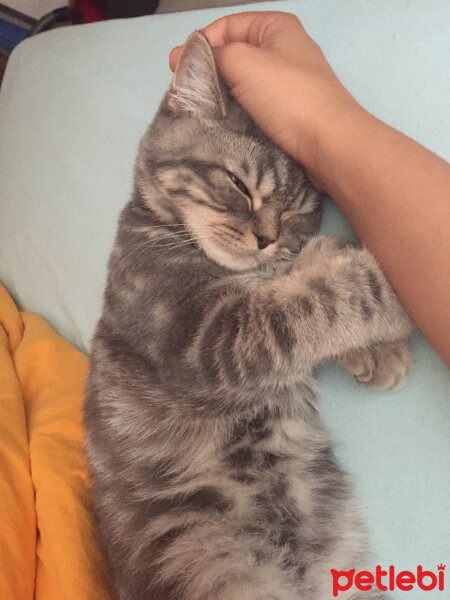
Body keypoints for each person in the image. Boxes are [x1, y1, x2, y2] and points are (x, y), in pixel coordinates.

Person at [170, 11, 450, 366]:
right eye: (239, 187)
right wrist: (355, 303)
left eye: (289, 214)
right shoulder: (145, 248)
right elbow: (200, 365)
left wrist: (321, 127)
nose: (267, 234)